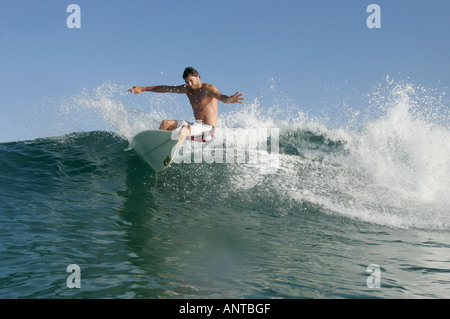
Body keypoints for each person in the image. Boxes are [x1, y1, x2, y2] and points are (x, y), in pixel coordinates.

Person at [128, 67, 244, 143]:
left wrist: (229, 99)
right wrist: (143, 88)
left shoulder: (208, 89)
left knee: (184, 129)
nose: (189, 84)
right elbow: (166, 88)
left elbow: (222, 97)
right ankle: (156, 147)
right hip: (196, 126)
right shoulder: (187, 89)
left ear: (198, 77)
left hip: (208, 130)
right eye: (187, 82)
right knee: (165, 124)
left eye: (191, 80)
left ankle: (171, 148)